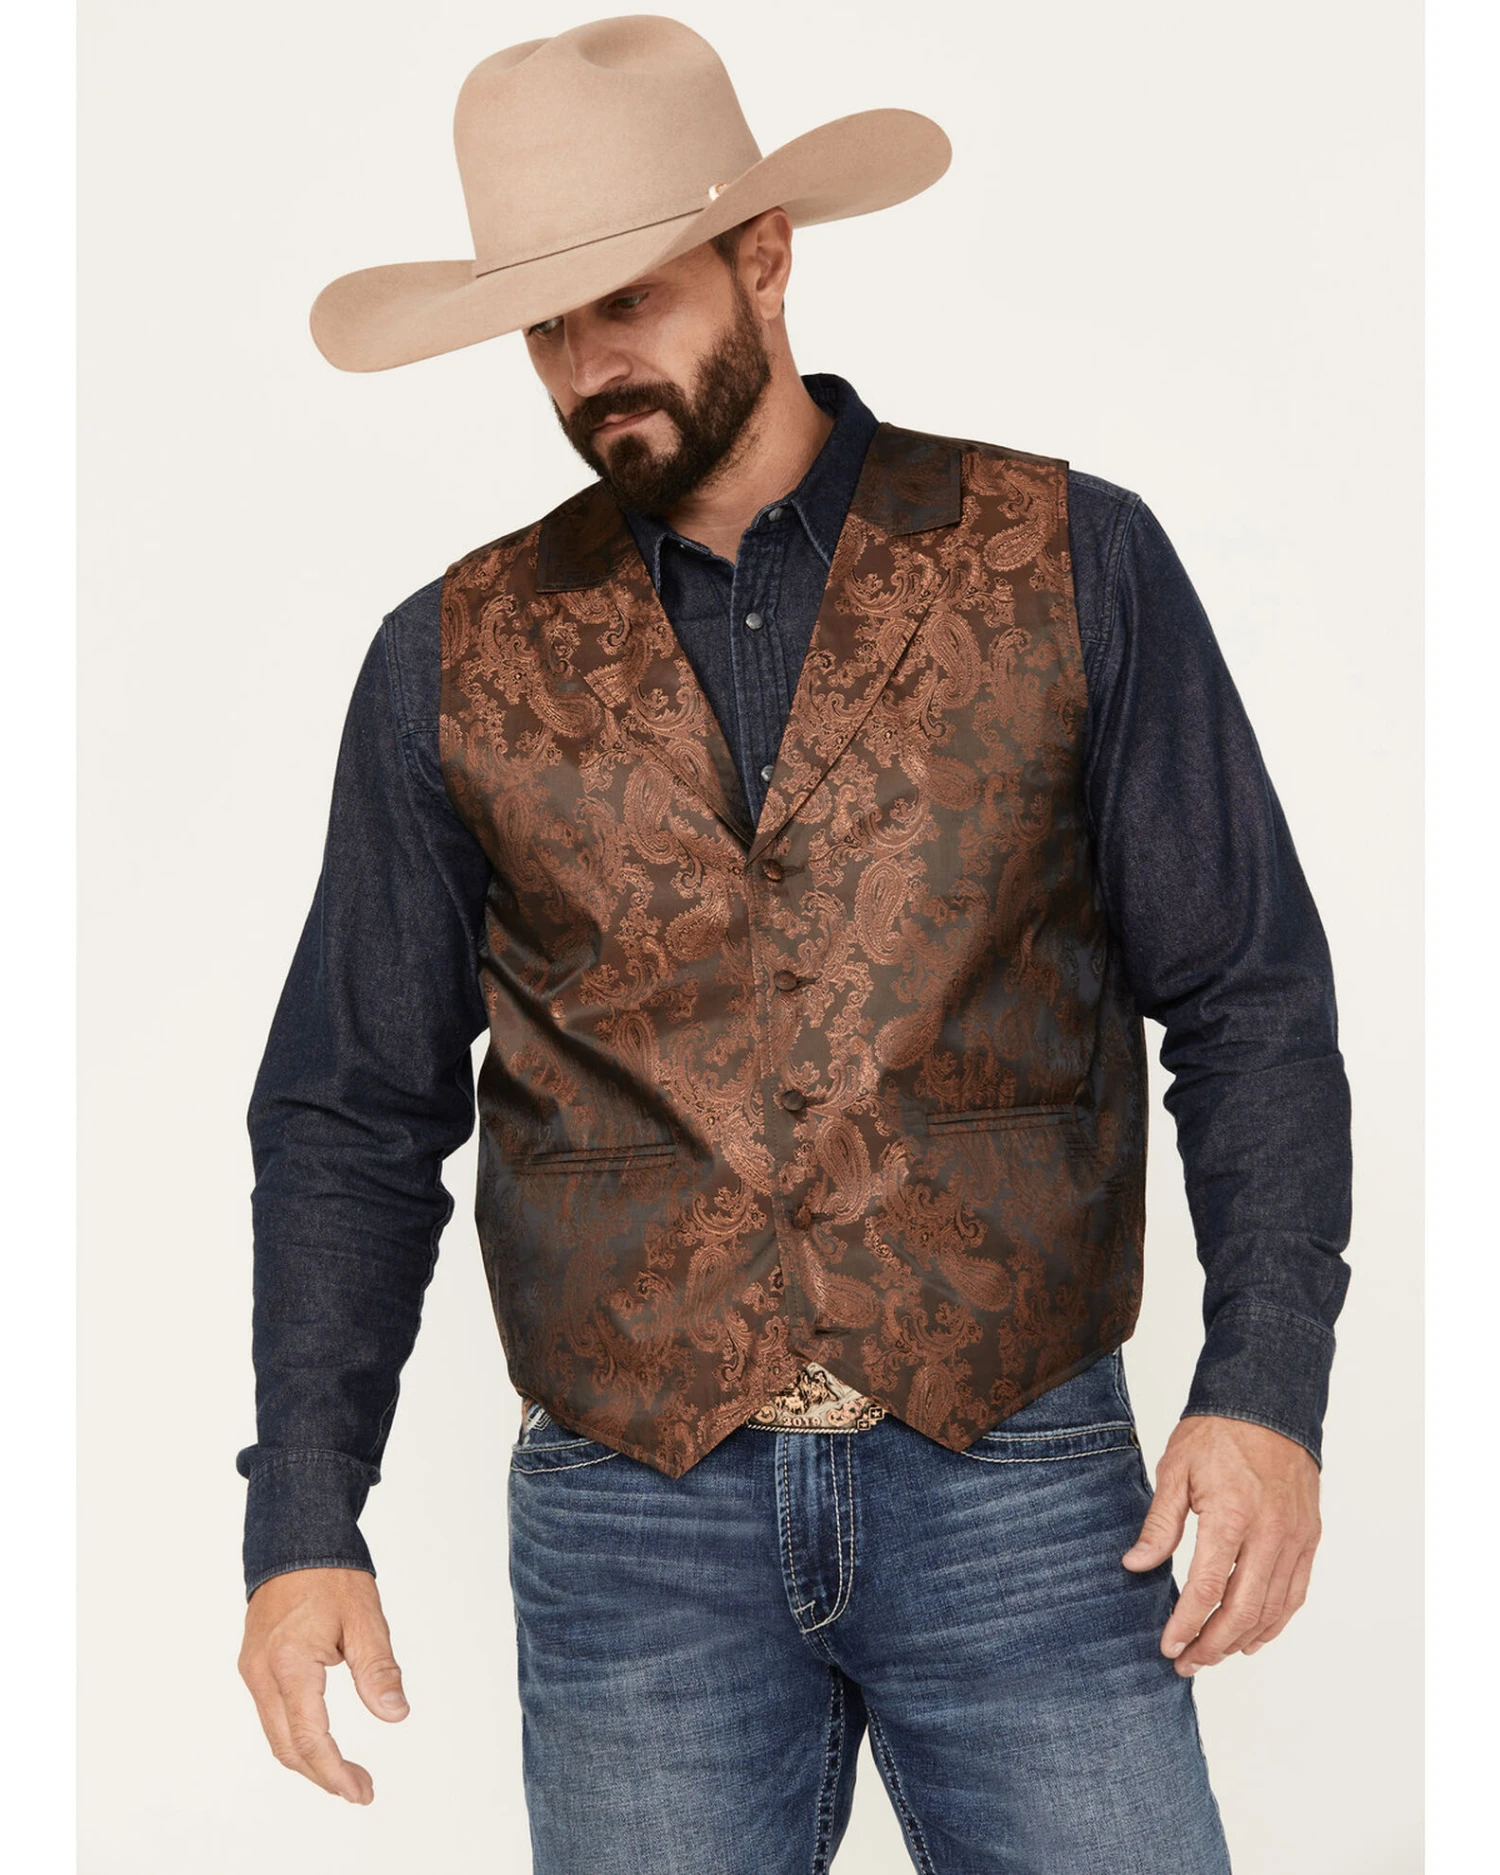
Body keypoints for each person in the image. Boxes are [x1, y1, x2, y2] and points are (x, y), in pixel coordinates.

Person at [235, 18, 1352, 1873]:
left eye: (629, 301)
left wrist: (1268, 1391)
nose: (590, 366)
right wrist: (300, 1514)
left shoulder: (1071, 559)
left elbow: (1250, 999)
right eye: (547, 327)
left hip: (1019, 1476)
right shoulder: (448, 659)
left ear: (764, 254)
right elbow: (351, 1109)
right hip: (630, 1519)